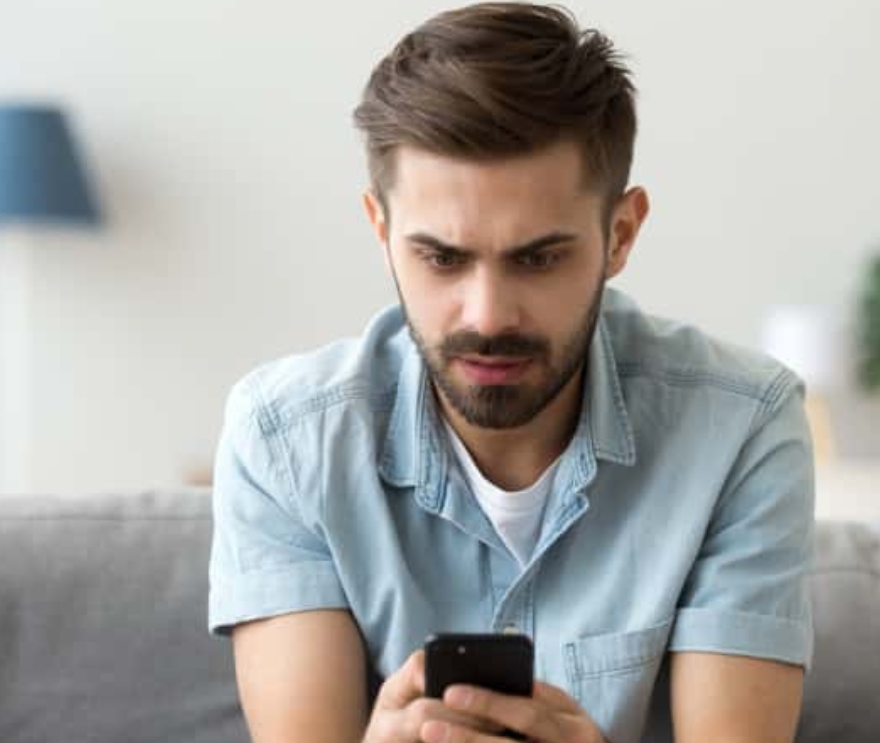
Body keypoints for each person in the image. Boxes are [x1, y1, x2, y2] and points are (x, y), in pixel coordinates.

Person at [207, 4, 815, 742]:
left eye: (537, 257)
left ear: (619, 234)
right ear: (381, 230)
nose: (487, 314)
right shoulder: (285, 440)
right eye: (441, 257)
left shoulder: (740, 426)